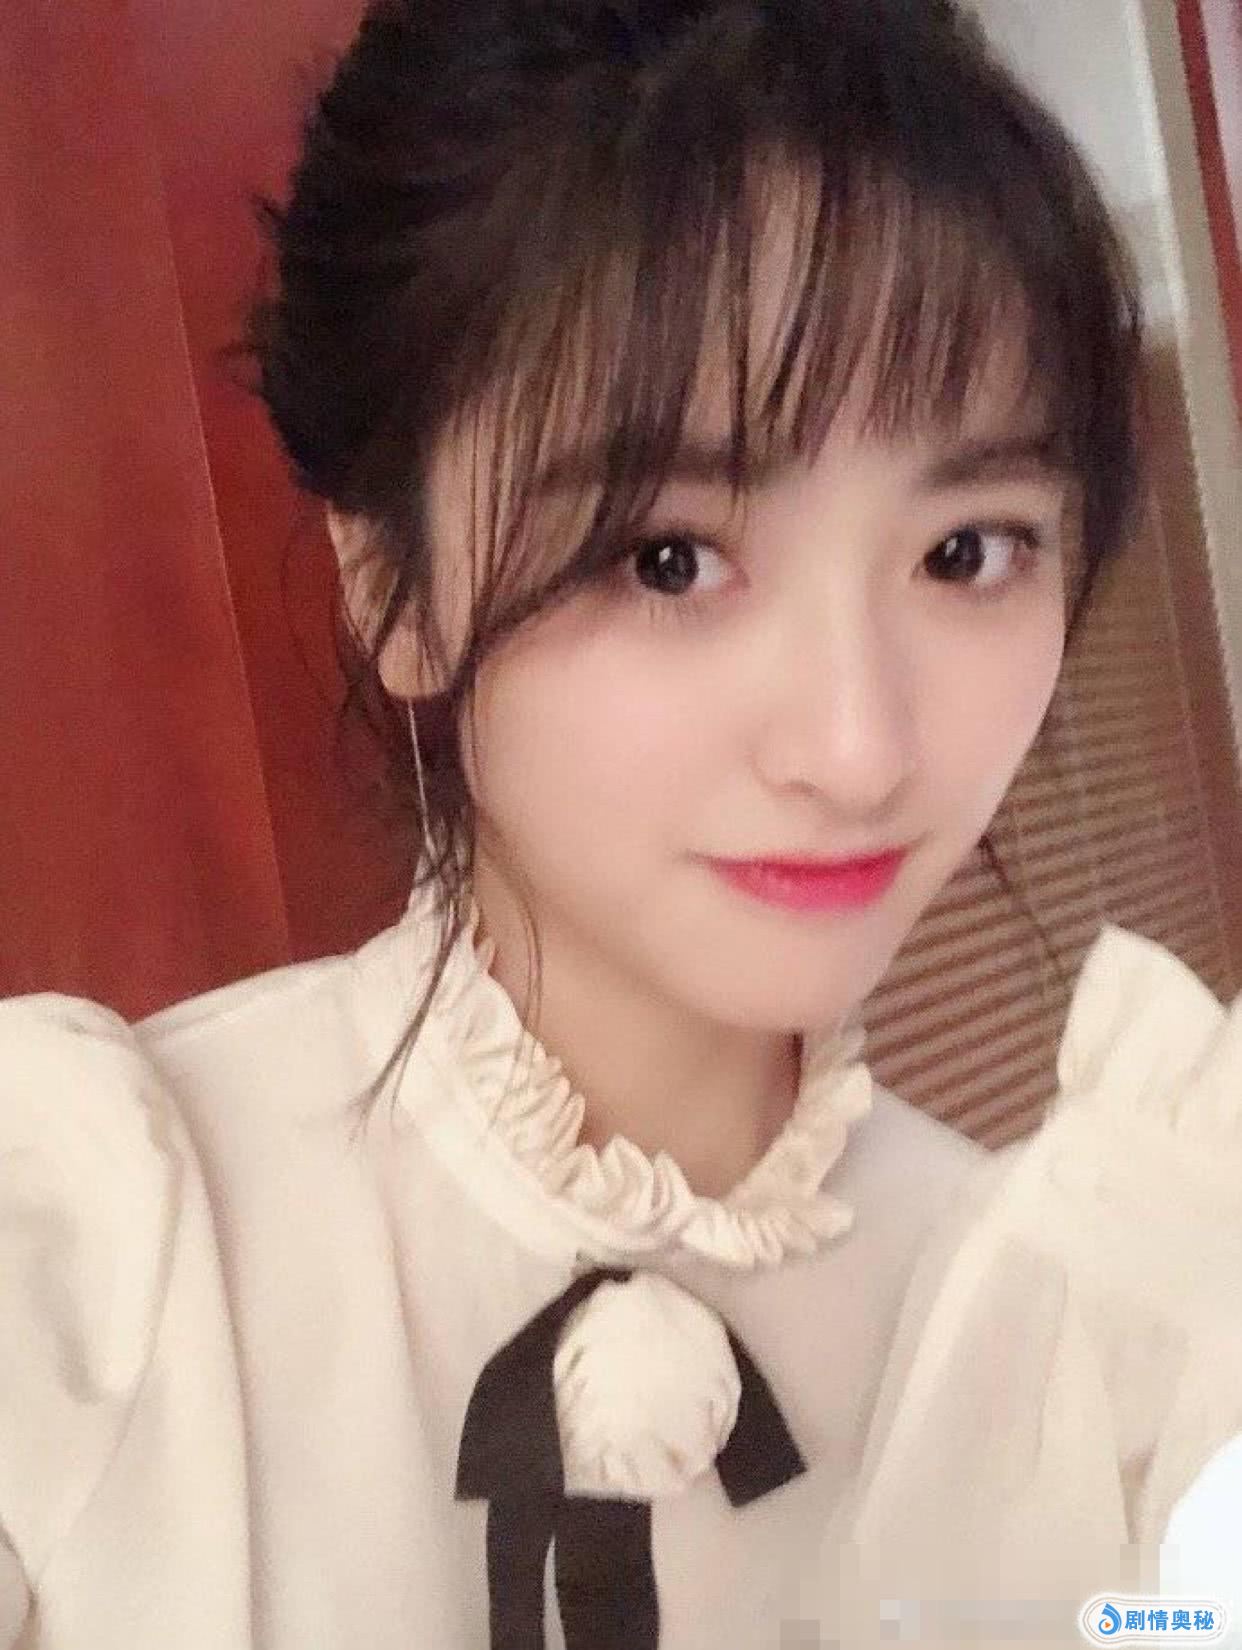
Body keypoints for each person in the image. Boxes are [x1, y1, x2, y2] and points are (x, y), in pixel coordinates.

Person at [1, 1, 1239, 1646]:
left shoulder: (1088, 1335)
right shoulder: (91, 1270)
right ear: (394, 583)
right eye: (668, 557)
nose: (858, 747)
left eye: (966, 551)